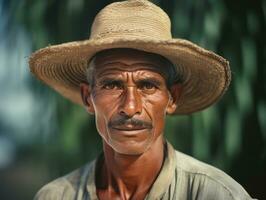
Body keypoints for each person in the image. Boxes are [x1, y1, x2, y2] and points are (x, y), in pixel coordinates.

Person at [29, 0, 254, 199]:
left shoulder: (215, 194)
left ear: (172, 98)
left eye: (147, 85)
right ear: (88, 97)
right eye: (112, 85)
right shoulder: (56, 196)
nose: (130, 107)